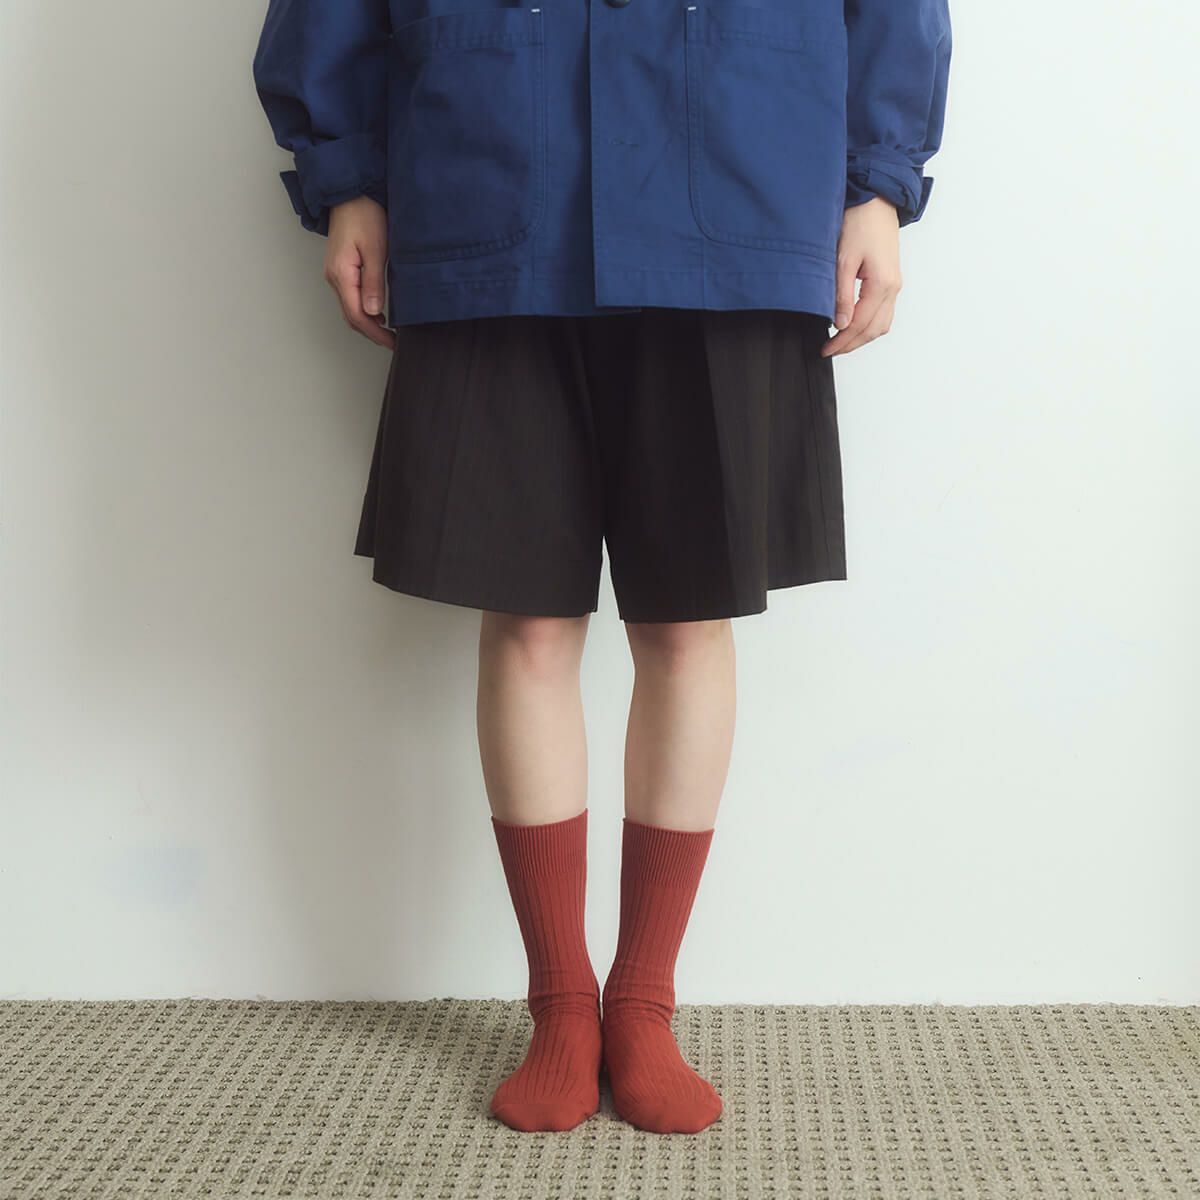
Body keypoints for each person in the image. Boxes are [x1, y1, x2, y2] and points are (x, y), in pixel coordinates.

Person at [252, 0, 951, 1136]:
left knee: (685, 620)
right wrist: (349, 180)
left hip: (732, 177)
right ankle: (562, 1005)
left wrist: (877, 183)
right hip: (493, 171)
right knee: (527, 619)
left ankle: (642, 1002)